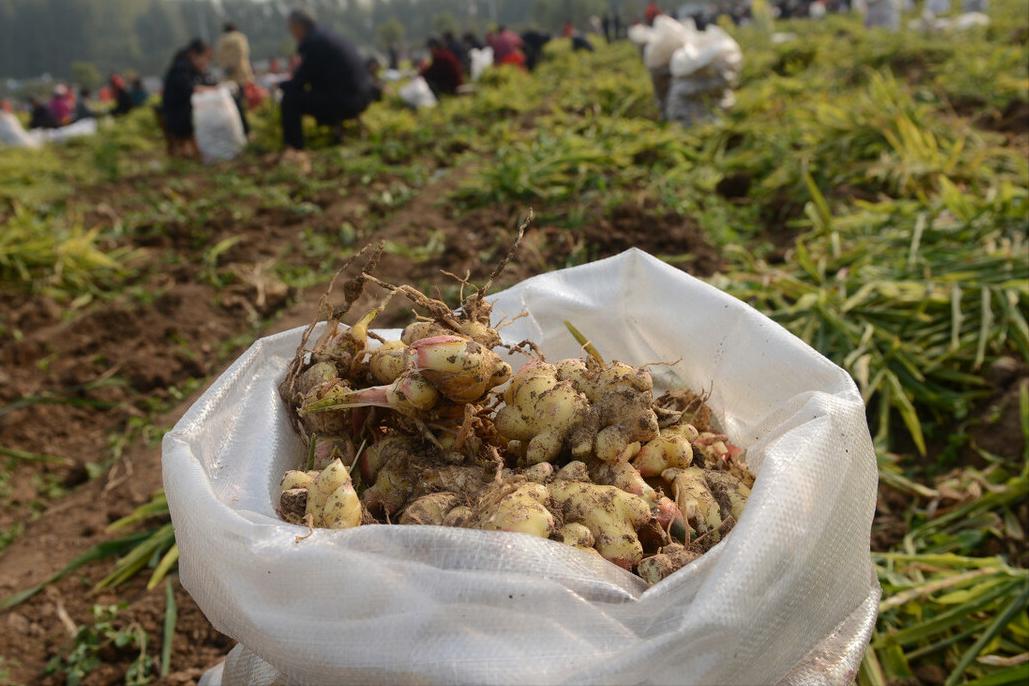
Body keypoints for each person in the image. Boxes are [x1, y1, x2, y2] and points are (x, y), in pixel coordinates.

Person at [280, 9, 374, 152]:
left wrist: (280, 85)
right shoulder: (325, 35)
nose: (291, 33)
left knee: (290, 99)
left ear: (298, 26)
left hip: (347, 102)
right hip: (364, 96)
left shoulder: (313, 42)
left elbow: (300, 80)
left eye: (291, 28)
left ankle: (294, 149)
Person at [161, 39, 213, 157]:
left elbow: (207, 82)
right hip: (178, 114)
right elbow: (189, 89)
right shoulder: (181, 68)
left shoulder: (191, 67)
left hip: (182, 112)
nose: (206, 63)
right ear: (194, 54)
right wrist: (211, 89)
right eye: (205, 58)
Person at [216, 22, 254, 135]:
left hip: (229, 77)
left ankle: (240, 129)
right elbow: (242, 54)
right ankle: (246, 130)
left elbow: (220, 58)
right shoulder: (240, 38)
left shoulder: (222, 41)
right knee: (240, 103)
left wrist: (227, 67)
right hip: (241, 75)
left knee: (234, 104)